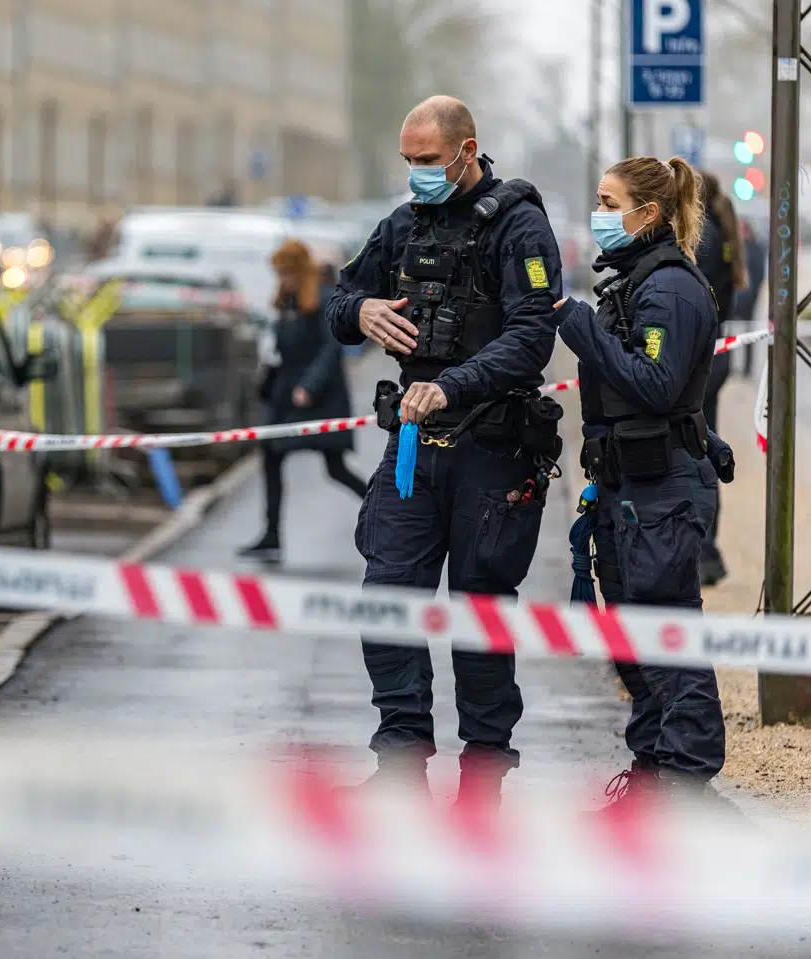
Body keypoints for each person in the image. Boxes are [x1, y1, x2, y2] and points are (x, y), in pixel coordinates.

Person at [326, 96, 564, 804]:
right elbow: (340, 301)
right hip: (412, 451)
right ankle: (400, 764)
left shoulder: (519, 226)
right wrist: (359, 310)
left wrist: (452, 385)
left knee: (479, 611)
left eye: (427, 161)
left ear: (467, 151)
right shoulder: (402, 227)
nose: (416, 175)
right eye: (408, 161)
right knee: (387, 600)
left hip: (492, 448)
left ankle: (484, 781)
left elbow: (532, 338)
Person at [554, 155, 726, 802]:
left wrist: (576, 327)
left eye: (608, 201)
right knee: (636, 643)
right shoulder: (636, 282)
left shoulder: (670, 289)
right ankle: (652, 774)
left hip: (661, 495)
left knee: (665, 635)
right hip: (629, 493)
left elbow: (656, 384)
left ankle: (686, 782)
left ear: (646, 213)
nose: (599, 214)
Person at [240, 240, 369, 563]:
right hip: (287, 399)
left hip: (320, 400)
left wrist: (309, 386)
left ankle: (387, 517)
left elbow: (332, 348)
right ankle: (271, 536)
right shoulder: (289, 301)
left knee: (335, 468)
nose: (281, 278)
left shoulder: (323, 298)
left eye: (285, 272)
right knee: (271, 457)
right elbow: (281, 350)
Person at [694, 173, 746, 587]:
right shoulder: (719, 229)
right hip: (716, 354)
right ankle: (707, 549)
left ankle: (705, 549)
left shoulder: (702, 237)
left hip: (702, 358)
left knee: (698, 452)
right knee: (706, 448)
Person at [734, 218, 767, 375]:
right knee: (729, 333)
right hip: (734, 299)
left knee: (748, 335)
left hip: (748, 298)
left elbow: (759, 274)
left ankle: (747, 367)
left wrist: (752, 296)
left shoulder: (755, 248)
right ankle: (731, 367)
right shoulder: (734, 247)